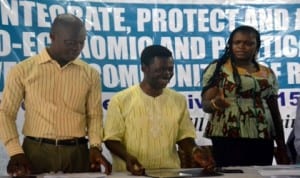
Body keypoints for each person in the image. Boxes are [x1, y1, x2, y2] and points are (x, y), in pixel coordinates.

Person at [0, 13, 112, 176]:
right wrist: (15, 152)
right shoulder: (22, 71)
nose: (76, 48)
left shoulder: (91, 74)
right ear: (52, 37)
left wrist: (95, 147)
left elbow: (94, 116)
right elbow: (6, 114)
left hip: (78, 153)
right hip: (35, 153)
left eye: (81, 43)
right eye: (70, 42)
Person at [103, 44, 215, 176]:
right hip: (131, 173)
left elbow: (184, 136)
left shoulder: (178, 100)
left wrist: (195, 151)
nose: (167, 74)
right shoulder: (120, 100)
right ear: (144, 68)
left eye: (170, 69)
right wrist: (127, 158)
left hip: (170, 172)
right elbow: (111, 139)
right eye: (160, 69)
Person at [201, 25, 290, 167]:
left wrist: (281, 144)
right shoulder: (218, 69)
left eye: (249, 43)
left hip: (262, 135)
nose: (242, 46)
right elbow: (205, 104)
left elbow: (274, 110)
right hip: (227, 135)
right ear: (230, 45)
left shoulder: (267, 73)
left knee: (261, 174)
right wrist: (215, 104)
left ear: (257, 46)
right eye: (237, 42)